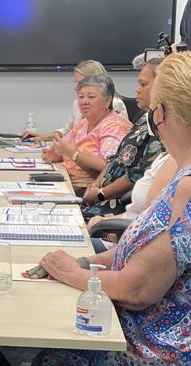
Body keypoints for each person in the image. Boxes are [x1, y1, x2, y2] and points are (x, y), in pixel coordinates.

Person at [32, 52, 191, 365]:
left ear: (161, 113)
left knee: (52, 355)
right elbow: (142, 252)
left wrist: (72, 272)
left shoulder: (187, 188)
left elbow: (137, 289)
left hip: (150, 347)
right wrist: (84, 260)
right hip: (127, 324)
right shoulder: (180, 176)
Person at [81, 58, 164, 218]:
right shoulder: (144, 118)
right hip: (98, 200)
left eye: (143, 84)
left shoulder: (160, 127)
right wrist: (96, 185)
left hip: (113, 208)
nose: (136, 90)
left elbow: (137, 174)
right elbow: (116, 159)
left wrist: (100, 194)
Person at [41, 74, 132, 195]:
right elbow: (63, 147)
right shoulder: (84, 123)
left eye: (91, 97)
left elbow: (109, 166)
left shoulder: (115, 126)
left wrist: (73, 154)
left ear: (108, 101)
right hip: (65, 181)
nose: (84, 102)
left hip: (88, 192)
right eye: (81, 97)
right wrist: (56, 154)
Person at [22, 60, 128, 141]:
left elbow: (117, 141)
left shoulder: (114, 104)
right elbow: (67, 131)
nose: (75, 87)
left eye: (80, 82)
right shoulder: (78, 103)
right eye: (75, 82)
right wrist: (42, 137)